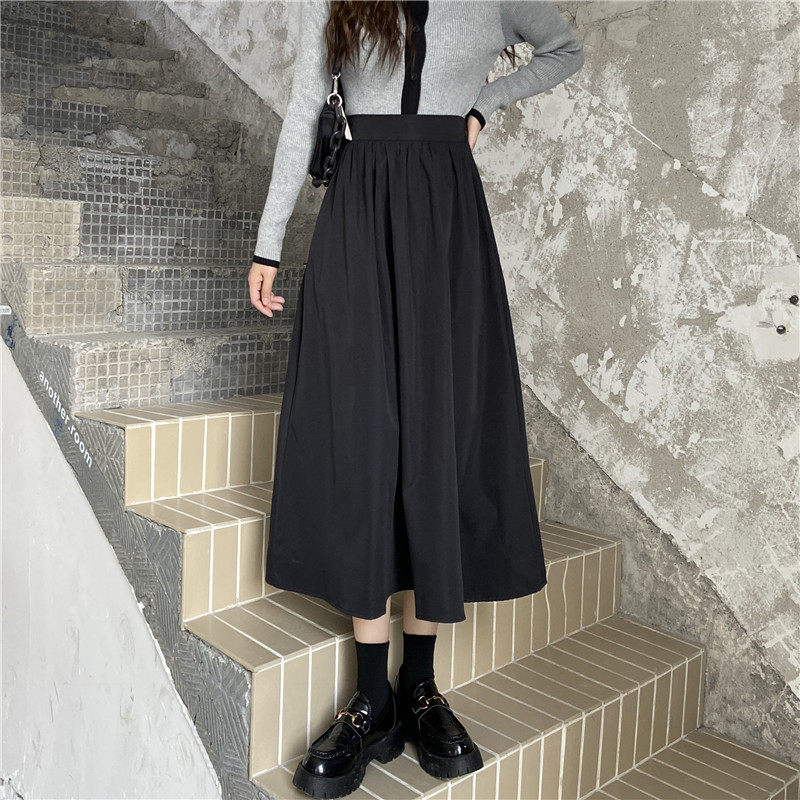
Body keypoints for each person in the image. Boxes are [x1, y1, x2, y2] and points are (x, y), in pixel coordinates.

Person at [247, 1, 584, 796]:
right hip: (359, 215)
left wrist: (483, 106)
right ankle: (372, 699)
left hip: (446, 224)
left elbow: (564, 50)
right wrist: (268, 242)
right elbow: (305, 105)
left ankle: (420, 685)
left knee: (438, 438)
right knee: (363, 436)